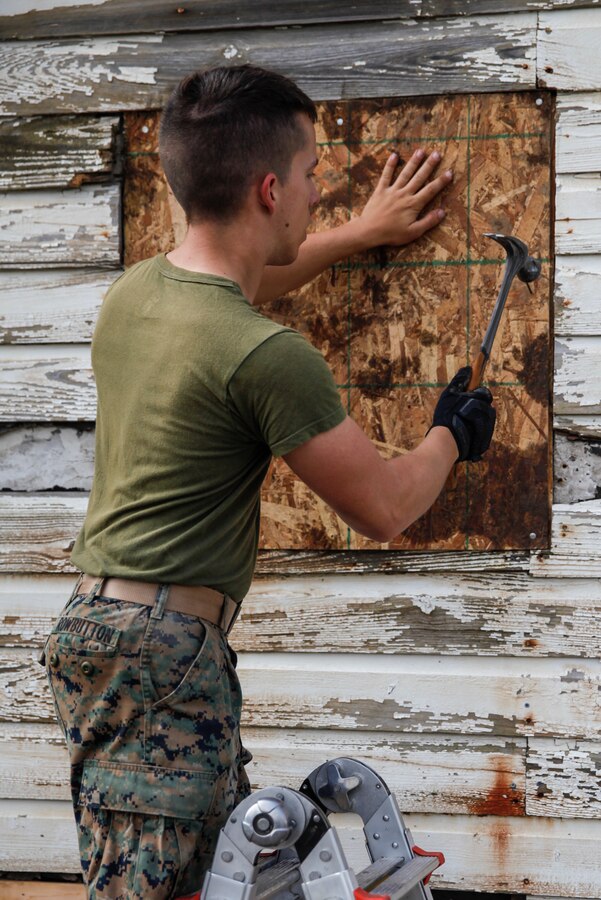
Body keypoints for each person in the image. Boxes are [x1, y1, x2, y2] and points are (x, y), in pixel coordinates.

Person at [41, 65, 495, 899]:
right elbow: (386, 508)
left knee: (214, 880)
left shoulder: (137, 293)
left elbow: (254, 276)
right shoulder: (266, 356)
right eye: (314, 172)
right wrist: (448, 436)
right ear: (267, 188)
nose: (319, 191)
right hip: (163, 651)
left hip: (108, 631)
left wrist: (360, 233)